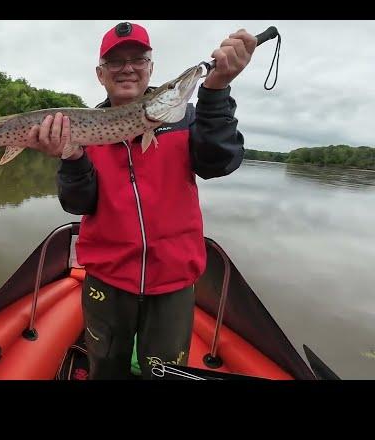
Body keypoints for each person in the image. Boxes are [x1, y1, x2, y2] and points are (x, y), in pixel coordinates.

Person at [26, 22, 255, 379]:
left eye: (138, 59)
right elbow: (78, 204)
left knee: (163, 373)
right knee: (105, 368)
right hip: (107, 279)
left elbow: (220, 162)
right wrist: (71, 156)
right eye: (115, 62)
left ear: (151, 68)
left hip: (174, 282)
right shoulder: (82, 126)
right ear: (100, 74)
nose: (128, 68)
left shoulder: (188, 119)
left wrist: (216, 90)